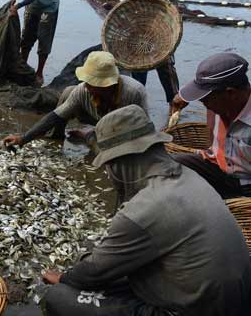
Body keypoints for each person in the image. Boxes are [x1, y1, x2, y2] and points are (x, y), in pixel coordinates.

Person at [39, 104, 251, 316]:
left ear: (120, 162)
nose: (110, 173)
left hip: (191, 310)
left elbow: (94, 272)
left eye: (110, 165)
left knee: (59, 296)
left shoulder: (145, 207)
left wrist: (65, 278)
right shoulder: (190, 176)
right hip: (230, 301)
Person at [3, 51, 147, 148]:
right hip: (96, 118)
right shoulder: (84, 89)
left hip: (123, 129)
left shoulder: (134, 92)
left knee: (104, 153)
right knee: (68, 92)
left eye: (92, 83)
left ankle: (88, 135)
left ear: (105, 85)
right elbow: (55, 116)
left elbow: (143, 129)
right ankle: (58, 135)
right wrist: (23, 138)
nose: (87, 86)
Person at [170, 52, 251, 198]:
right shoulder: (221, 102)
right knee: (167, 164)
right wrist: (184, 96)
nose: (204, 104)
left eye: (206, 100)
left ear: (230, 94)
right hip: (219, 168)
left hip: (246, 184)